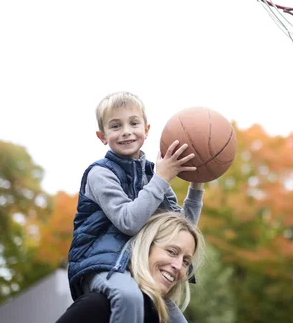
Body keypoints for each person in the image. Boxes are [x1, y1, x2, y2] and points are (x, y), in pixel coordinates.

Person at [67, 91, 205, 323]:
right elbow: (128, 222)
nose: (126, 132)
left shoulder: (153, 175)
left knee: (178, 320)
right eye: (115, 126)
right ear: (102, 136)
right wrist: (161, 180)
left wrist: (197, 185)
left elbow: (181, 228)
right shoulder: (100, 174)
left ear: (146, 130)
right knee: (128, 297)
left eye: (133, 123)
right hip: (102, 265)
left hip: (136, 269)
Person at [57, 211, 204, 323]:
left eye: (186, 261)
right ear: (146, 248)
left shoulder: (166, 318)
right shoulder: (99, 306)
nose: (178, 266)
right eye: (171, 252)